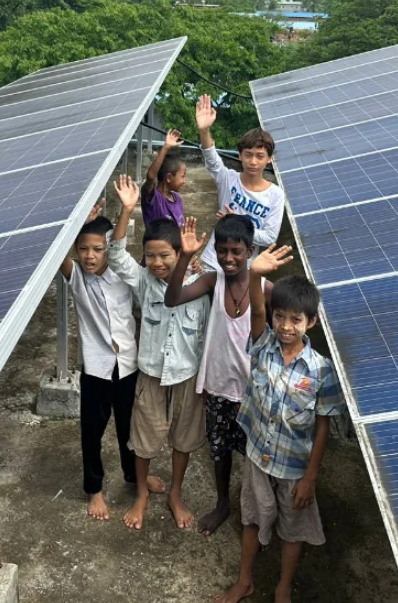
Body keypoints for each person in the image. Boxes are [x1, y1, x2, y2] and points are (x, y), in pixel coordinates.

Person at [216, 247, 345, 603]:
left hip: (294, 466)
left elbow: (322, 426)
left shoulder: (321, 371)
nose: (286, 326)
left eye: (296, 320)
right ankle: (245, 580)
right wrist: (255, 274)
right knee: (252, 517)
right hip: (258, 455)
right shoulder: (263, 346)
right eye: (281, 317)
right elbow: (257, 309)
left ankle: (282, 588)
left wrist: (311, 477)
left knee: (293, 529)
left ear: (311, 323)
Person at [164, 215, 282, 537]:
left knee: (256, 458)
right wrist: (185, 256)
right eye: (222, 251)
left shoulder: (265, 288)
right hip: (217, 386)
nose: (228, 258)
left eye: (236, 251)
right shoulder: (212, 282)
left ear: (251, 250)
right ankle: (222, 503)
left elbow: (294, 317)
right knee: (220, 451)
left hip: (251, 393)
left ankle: (258, 510)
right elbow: (172, 299)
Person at [108, 174, 210, 531]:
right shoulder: (142, 281)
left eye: (164, 255)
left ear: (181, 253)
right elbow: (116, 254)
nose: (156, 262)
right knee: (144, 439)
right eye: (150, 256)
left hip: (187, 374)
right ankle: (141, 494)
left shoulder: (201, 283)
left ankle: (176, 493)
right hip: (150, 373)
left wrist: (198, 260)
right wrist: (128, 209)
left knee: (185, 437)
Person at [59, 201, 163, 521]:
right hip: (96, 370)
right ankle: (95, 489)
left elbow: (122, 249)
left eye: (97, 249)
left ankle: (135, 476)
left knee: (129, 429)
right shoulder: (77, 278)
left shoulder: (125, 277)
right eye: (83, 249)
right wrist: (77, 221)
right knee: (92, 430)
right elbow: (57, 253)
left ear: (108, 250)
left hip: (128, 365)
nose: (90, 255)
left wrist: (126, 212)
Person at [196, 94, 285, 272]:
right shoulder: (228, 178)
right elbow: (212, 159)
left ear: (269, 159)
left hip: (244, 269)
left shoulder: (276, 195)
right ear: (240, 155)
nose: (253, 161)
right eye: (248, 154)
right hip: (213, 262)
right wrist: (204, 131)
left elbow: (269, 237)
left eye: (260, 156)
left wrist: (236, 223)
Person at [141, 128, 186, 229]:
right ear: (169, 177)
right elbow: (151, 177)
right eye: (182, 176)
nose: (184, 181)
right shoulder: (153, 197)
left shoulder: (177, 199)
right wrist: (166, 147)